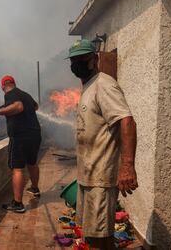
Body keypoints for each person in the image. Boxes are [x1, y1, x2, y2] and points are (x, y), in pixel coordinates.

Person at [67, 39, 138, 250]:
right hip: (88, 175)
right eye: (74, 60)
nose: (77, 64)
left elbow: (127, 121)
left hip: (101, 177)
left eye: (82, 59)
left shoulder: (104, 84)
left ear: (95, 59)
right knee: (94, 235)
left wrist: (127, 165)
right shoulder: (89, 86)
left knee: (98, 238)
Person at [0, 75, 41, 213]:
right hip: (35, 134)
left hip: (20, 136)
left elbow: (18, 106)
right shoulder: (24, 94)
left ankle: (18, 203)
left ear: (3, 86)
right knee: (32, 163)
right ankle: (35, 189)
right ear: (14, 83)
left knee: (17, 169)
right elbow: (35, 106)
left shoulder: (10, 94)